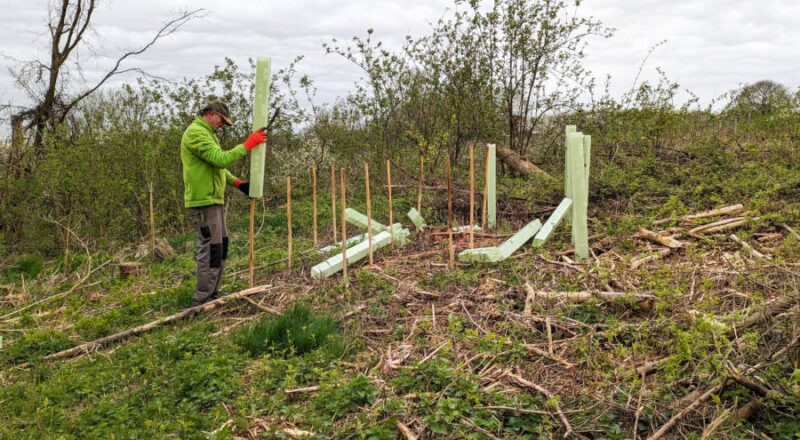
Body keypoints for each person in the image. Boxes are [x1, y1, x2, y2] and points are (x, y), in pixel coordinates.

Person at [181, 100, 266, 306]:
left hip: (212, 200)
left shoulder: (207, 134)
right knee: (211, 248)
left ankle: (212, 292)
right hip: (203, 202)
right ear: (210, 113)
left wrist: (237, 184)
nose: (222, 126)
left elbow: (216, 167)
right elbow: (220, 159)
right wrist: (248, 144)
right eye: (222, 121)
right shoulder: (196, 133)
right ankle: (202, 298)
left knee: (221, 246)